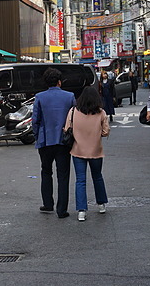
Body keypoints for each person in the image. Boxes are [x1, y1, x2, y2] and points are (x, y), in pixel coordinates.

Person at [32, 67, 76, 218]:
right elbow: (74, 118)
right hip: (64, 141)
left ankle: (48, 203)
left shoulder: (39, 97)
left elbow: (35, 121)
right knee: (63, 175)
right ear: (59, 82)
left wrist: (37, 136)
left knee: (46, 171)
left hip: (45, 141)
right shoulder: (69, 96)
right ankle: (62, 209)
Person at [66, 86, 110, 222]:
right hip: (96, 150)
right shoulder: (101, 113)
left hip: (78, 150)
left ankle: (81, 211)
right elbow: (105, 131)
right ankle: (101, 204)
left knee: (80, 180)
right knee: (97, 177)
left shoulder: (73, 111)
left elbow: (67, 128)